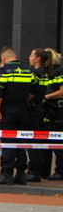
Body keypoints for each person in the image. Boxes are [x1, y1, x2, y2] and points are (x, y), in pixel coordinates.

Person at [0, 46, 40, 186]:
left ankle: (6, 174)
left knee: (8, 142)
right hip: (23, 110)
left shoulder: (4, 71)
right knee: (21, 142)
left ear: (4, 58)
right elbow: (35, 90)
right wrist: (23, 100)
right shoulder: (28, 70)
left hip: (8, 110)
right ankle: (20, 174)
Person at [25, 48, 54, 181]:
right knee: (37, 139)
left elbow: (31, 92)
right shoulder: (45, 73)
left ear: (38, 59)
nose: (29, 58)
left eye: (32, 56)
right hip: (39, 108)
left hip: (33, 110)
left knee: (32, 140)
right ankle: (37, 169)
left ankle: (34, 171)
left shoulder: (35, 74)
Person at [42, 48, 63, 180]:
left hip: (58, 112)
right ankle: (43, 170)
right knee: (45, 142)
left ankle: (60, 171)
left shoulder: (59, 72)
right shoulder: (45, 73)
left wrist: (46, 97)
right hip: (48, 112)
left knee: (58, 141)